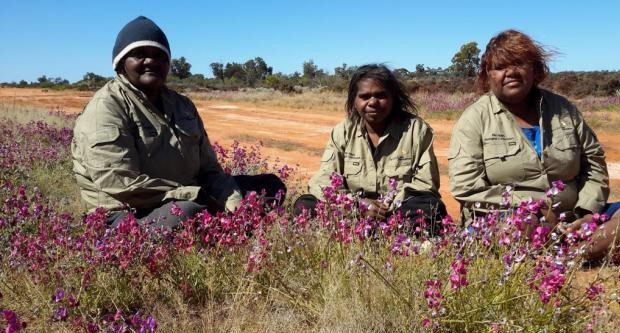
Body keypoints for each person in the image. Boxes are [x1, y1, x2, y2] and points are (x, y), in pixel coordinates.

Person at [448, 30, 620, 259]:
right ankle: (598, 248)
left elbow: (594, 164)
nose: (510, 72)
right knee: (522, 228)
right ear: (488, 75)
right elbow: (466, 186)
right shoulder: (475, 118)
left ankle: (577, 254)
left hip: (572, 215)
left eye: (519, 63)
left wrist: (587, 212)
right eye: (500, 67)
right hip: (512, 217)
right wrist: (530, 208)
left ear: (535, 70)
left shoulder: (563, 109)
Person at [72, 16, 285, 228]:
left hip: (188, 194)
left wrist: (234, 205)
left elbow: (210, 171)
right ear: (120, 63)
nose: (151, 61)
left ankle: (230, 222)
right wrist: (196, 196)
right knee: (188, 213)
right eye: (139, 55)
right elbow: (120, 184)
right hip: (129, 211)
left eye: (159, 56)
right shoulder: (106, 108)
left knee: (270, 186)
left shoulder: (182, 105)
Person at [296, 64, 446, 232]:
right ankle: (356, 232)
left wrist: (389, 205)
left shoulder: (415, 130)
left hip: (396, 210)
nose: (373, 102)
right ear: (354, 100)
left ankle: (394, 236)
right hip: (353, 211)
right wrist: (356, 205)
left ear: (393, 98)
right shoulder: (343, 132)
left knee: (430, 207)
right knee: (306, 204)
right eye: (365, 96)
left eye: (381, 95)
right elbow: (322, 180)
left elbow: (426, 184)